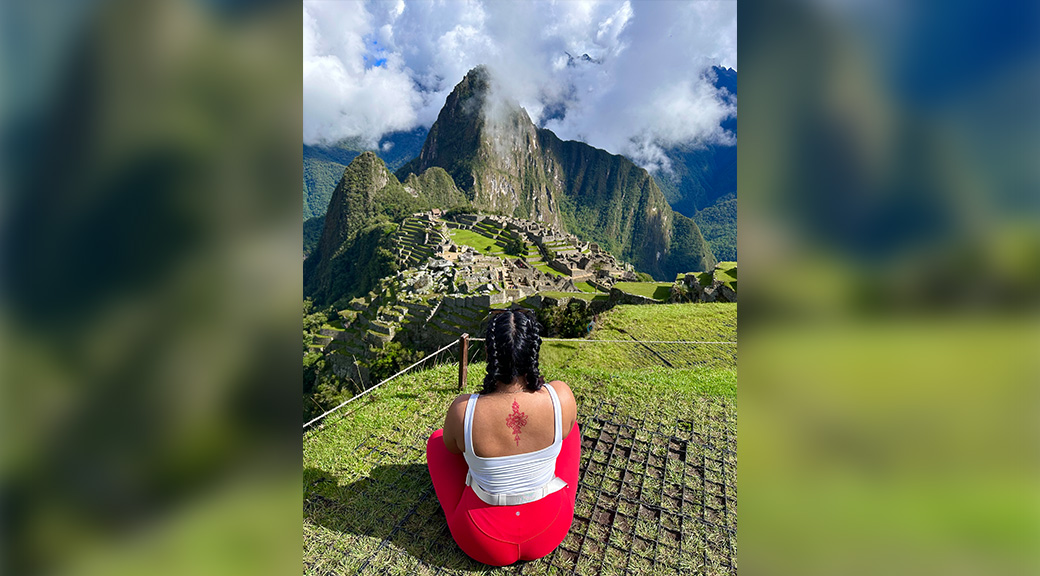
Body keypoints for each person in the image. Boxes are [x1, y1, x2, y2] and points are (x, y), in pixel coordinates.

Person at [426, 308, 580, 566]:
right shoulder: (560, 396)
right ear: (534, 350)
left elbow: (451, 449)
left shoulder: (464, 410)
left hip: (482, 539)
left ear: (489, 353)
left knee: (438, 442)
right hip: (551, 527)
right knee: (570, 429)